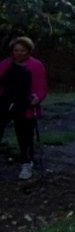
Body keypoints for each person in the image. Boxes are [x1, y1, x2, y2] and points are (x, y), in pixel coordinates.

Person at [0, 36, 47, 180]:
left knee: (24, 135)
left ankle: (27, 164)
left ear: (28, 51)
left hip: (26, 104)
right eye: (16, 50)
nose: (19, 53)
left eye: (22, 50)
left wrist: (37, 98)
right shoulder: (5, 64)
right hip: (5, 102)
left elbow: (42, 88)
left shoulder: (36, 65)